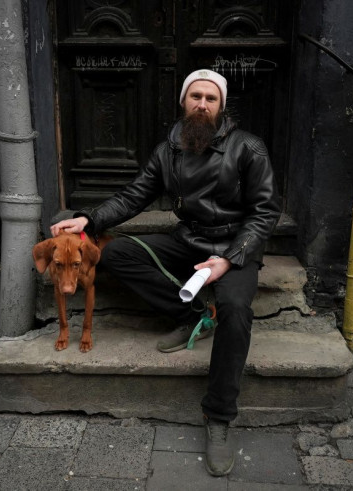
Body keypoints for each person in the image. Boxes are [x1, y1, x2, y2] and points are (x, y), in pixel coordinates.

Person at [51, 69, 280, 477]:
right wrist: (86, 219)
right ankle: (193, 316)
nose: (202, 104)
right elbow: (133, 196)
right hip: (189, 241)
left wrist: (229, 259)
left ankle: (220, 417)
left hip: (234, 250)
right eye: (195, 96)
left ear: (221, 106)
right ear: (183, 101)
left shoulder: (249, 148)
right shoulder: (169, 149)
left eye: (211, 98)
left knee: (236, 309)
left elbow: (265, 213)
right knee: (118, 254)